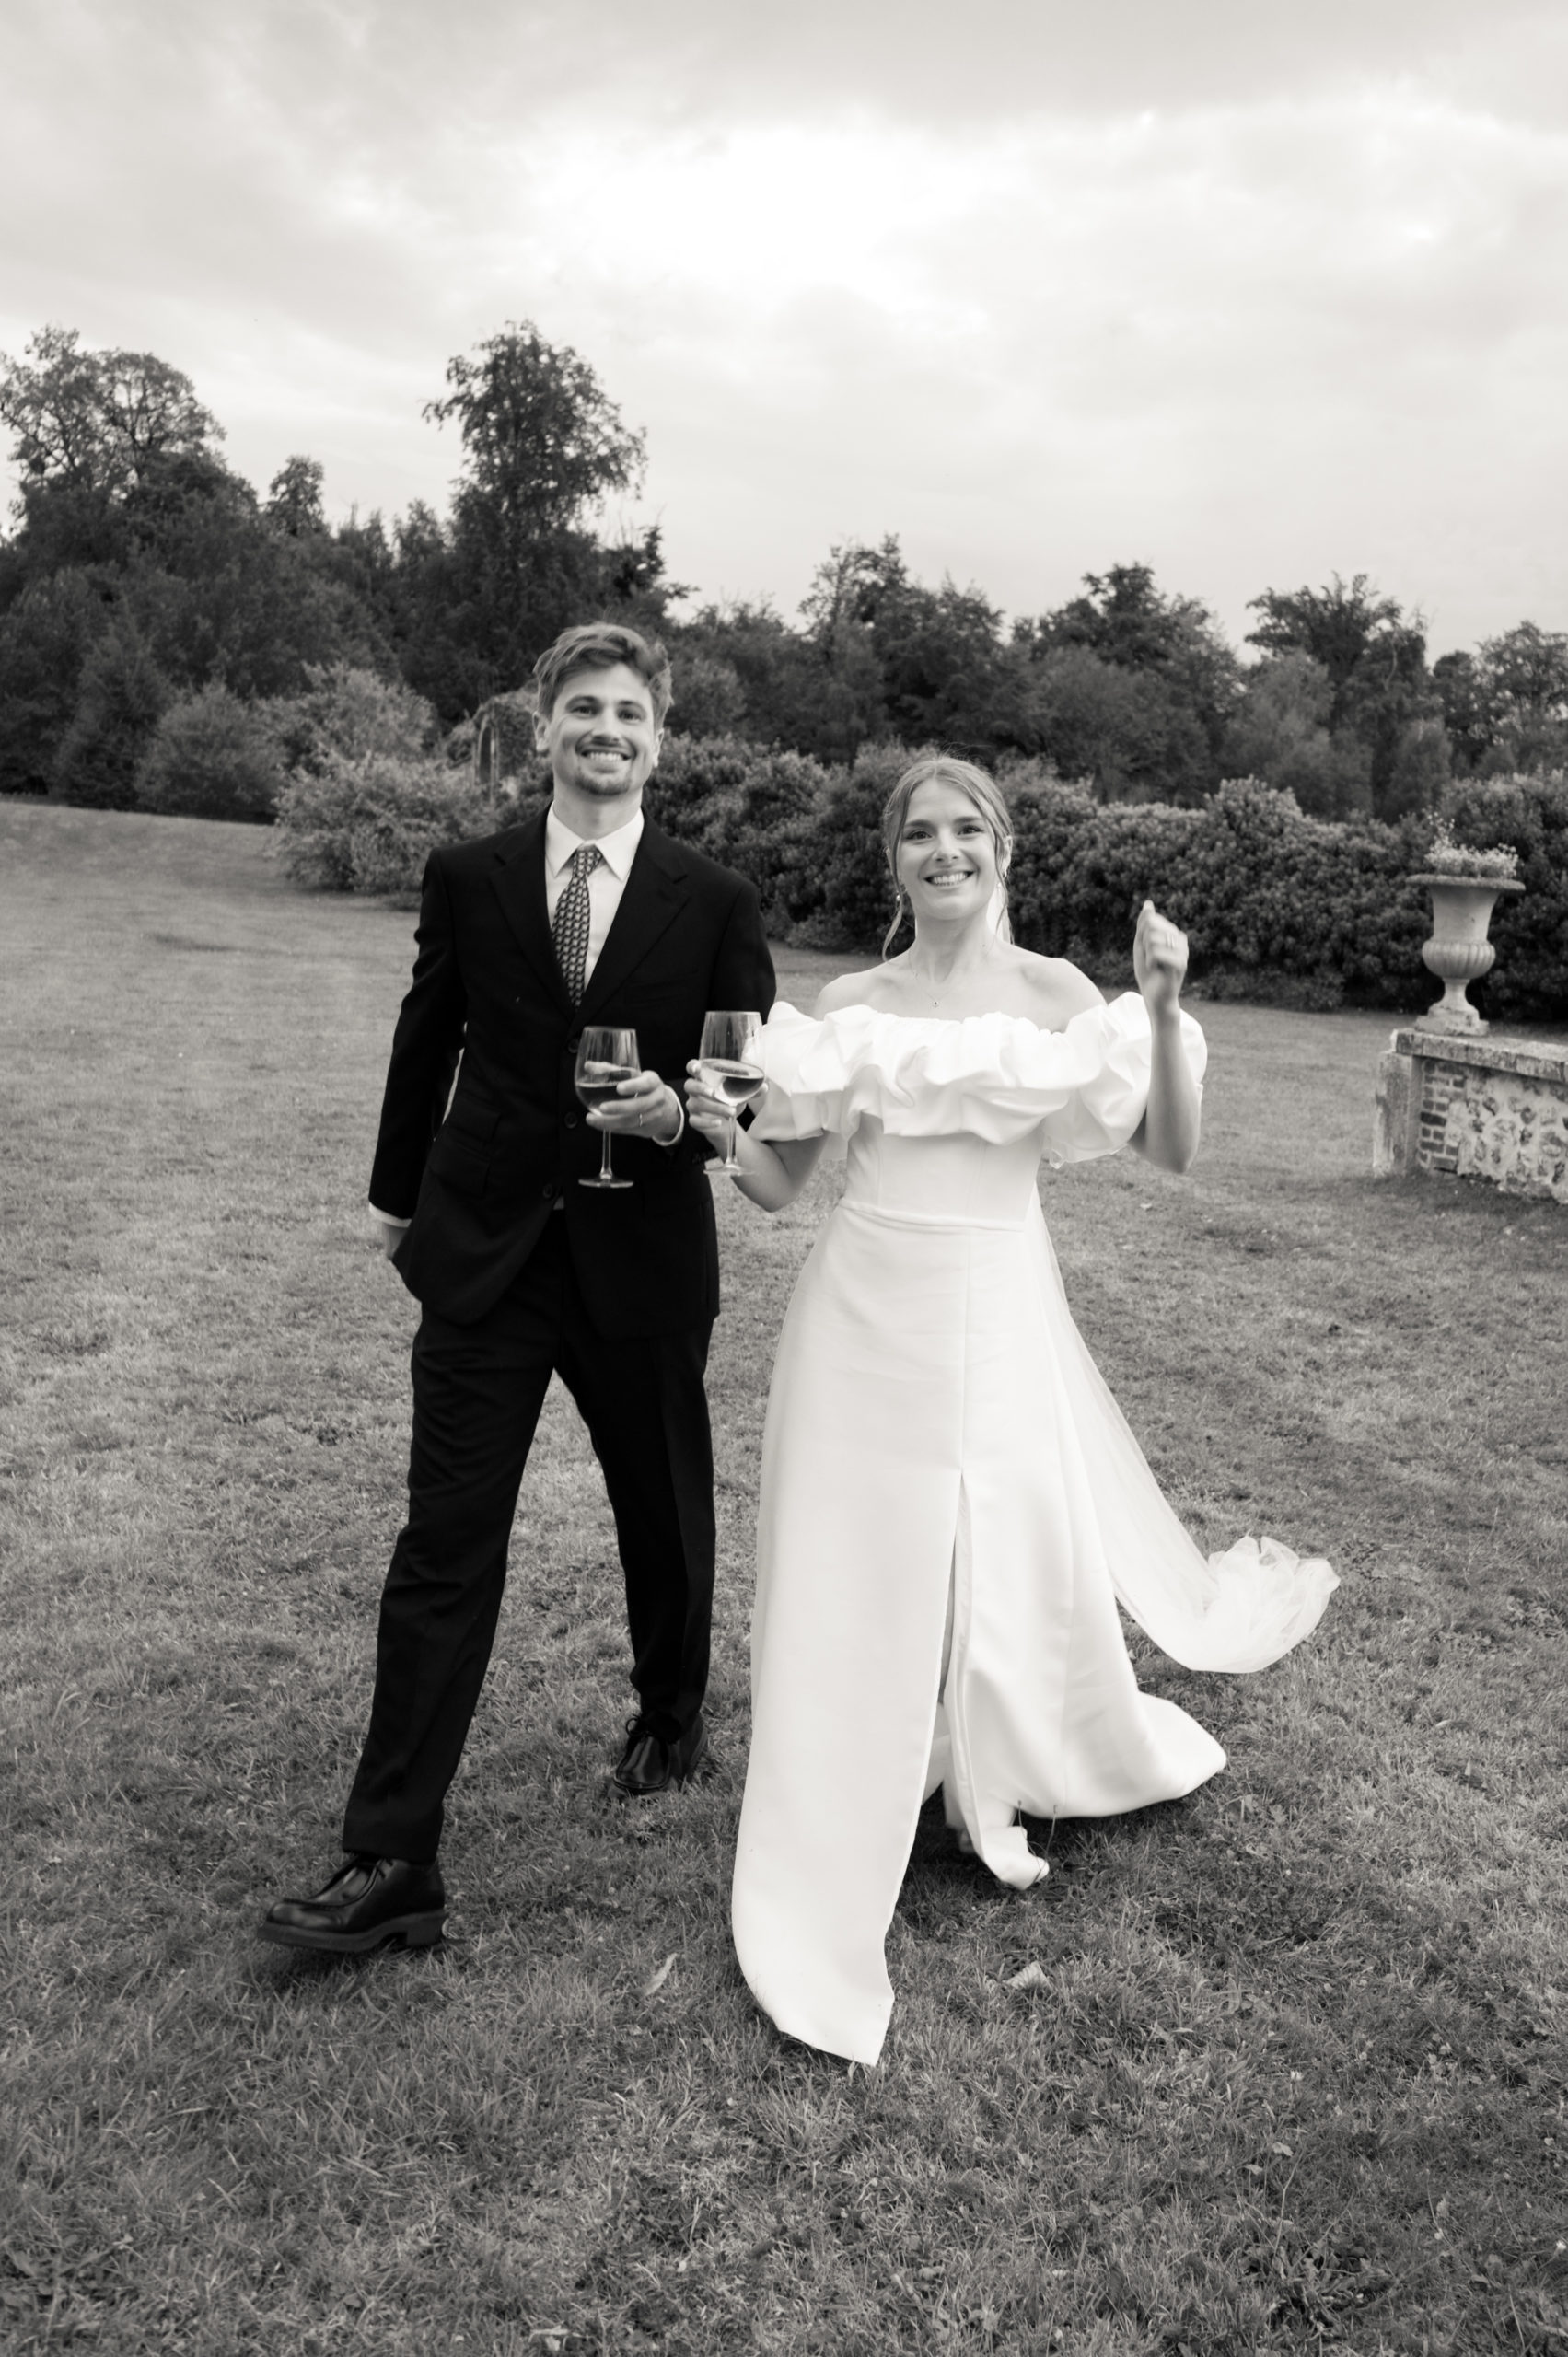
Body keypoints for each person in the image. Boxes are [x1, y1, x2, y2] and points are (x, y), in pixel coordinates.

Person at [685, 753, 1336, 2066]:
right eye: (918, 834)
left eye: (965, 830)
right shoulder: (849, 1005)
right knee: (853, 1568)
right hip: (859, 1315)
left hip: (993, 1311)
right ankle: (843, 1796)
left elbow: (1171, 1146)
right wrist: (711, 1130)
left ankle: (998, 1760)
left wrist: (1158, 1005)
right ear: (893, 860)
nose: (943, 852)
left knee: (1009, 1553)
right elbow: (778, 1187)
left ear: (1005, 847)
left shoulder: (1057, 998)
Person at [260, 622, 775, 1956]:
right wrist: (393, 1202)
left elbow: (746, 1095)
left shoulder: (713, 899)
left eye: (633, 717)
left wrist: (689, 1117)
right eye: (586, 710)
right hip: (486, 1251)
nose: (609, 733)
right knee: (445, 1541)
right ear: (542, 728)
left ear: (660, 743)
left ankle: (670, 1715)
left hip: (643, 1252)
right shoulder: (473, 876)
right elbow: (425, 1036)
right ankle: (391, 1856)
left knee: (661, 1508)